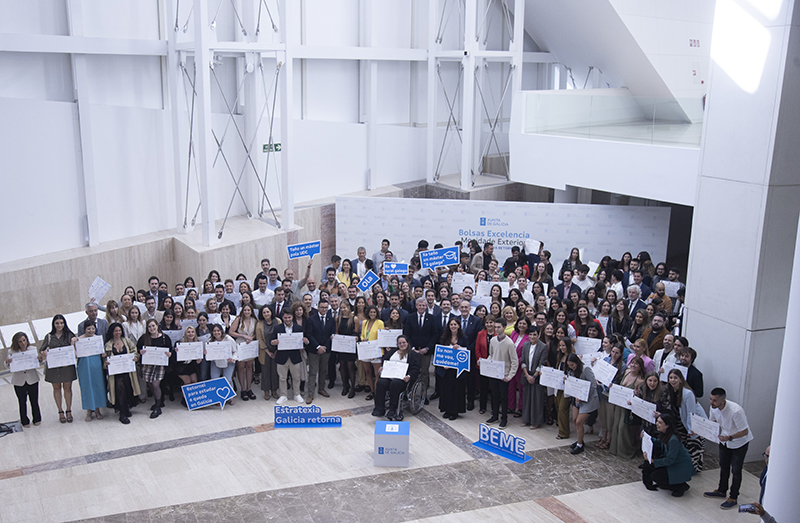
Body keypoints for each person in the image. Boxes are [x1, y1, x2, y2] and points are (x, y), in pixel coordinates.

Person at [704, 387, 754, 510]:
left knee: (736, 470)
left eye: (714, 400)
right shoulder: (713, 408)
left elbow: (745, 431)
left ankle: (733, 497)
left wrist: (730, 437)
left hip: (739, 443)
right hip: (725, 441)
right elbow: (712, 422)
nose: (711, 402)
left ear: (723, 400)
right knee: (723, 465)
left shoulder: (736, 411)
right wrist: (701, 430)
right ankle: (721, 490)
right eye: (710, 399)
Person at [642, 413, 693, 497]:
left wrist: (654, 461)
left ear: (667, 425)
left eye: (660, 423)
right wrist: (646, 437)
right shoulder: (665, 434)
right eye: (657, 421)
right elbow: (657, 442)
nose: (657, 424)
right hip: (672, 463)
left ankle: (680, 486)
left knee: (656, 476)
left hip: (678, 466)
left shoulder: (673, 440)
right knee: (649, 466)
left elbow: (670, 460)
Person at [372, 334, 421, 421]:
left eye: (404, 342)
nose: (402, 344)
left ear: (407, 343)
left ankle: (393, 409)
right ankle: (379, 408)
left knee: (395, 384)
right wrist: (382, 368)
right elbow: (385, 362)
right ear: (397, 344)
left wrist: (409, 376)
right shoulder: (392, 352)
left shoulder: (413, 354)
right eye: (400, 343)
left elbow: (416, 369)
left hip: (403, 379)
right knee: (380, 383)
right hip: (390, 377)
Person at [39, 314, 77, 423]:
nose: (59, 325)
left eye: (61, 323)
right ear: (53, 324)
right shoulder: (49, 336)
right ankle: (60, 411)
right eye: (57, 323)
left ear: (64, 323)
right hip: (54, 367)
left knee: (67, 388)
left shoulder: (69, 335)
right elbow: (41, 350)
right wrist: (44, 353)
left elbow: (74, 349)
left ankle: (68, 410)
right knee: (56, 388)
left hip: (67, 367)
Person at [402, 297, 437, 404]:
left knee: (424, 372)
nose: (421, 307)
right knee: (411, 371)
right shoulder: (410, 317)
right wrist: (412, 348)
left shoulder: (432, 318)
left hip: (426, 351)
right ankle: (409, 392)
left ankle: (423, 394)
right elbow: (406, 334)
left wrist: (427, 348)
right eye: (419, 305)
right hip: (413, 351)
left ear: (426, 306)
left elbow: (435, 335)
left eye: (423, 305)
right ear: (416, 306)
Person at [485, 317, 518, 429]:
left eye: (499, 327)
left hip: (504, 374)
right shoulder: (493, 340)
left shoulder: (509, 343)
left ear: (504, 327)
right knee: (494, 395)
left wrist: (510, 376)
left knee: (504, 397)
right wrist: (486, 363)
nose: (496, 329)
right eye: (495, 327)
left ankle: (504, 418)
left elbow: (514, 361)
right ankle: (494, 415)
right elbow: (491, 354)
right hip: (494, 373)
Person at [104, 323, 140, 424]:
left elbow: (134, 351)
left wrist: (135, 357)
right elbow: (104, 360)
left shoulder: (127, 341)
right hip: (116, 373)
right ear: (112, 332)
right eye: (116, 331)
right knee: (120, 391)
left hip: (127, 371)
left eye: (119, 330)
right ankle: (122, 413)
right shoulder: (108, 345)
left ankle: (126, 408)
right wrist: (106, 363)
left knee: (128, 389)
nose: (118, 332)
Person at [137, 319, 173, 418]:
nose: (152, 328)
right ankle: (159, 401)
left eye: (153, 326)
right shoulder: (144, 338)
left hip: (159, 365)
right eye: (149, 326)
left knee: (155, 384)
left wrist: (169, 354)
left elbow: (170, 349)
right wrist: (140, 351)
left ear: (157, 326)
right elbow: (138, 348)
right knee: (149, 384)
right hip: (148, 365)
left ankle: (157, 407)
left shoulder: (165, 337)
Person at [72, 321, 107, 422]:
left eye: (92, 328)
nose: (91, 331)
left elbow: (102, 352)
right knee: (87, 387)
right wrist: (73, 344)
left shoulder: (97, 339)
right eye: (88, 329)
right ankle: (88, 411)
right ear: (84, 329)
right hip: (84, 366)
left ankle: (97, 410)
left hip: (96, 365)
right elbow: (75, 355)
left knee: (97, 386)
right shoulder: (79, 340)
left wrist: (103, 353)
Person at [271, 308, 306, 404]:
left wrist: (305, 341)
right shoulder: (277, 328)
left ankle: (297, 394)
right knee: (282, 378)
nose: (287, 319)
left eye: (289, 317)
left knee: (296, 377)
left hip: (295, 356)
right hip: (282, 356)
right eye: (285, 318)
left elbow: (303, 341)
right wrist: (273, 342)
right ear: (282, 318)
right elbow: (271, 340)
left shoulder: (298, 328)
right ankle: (283, 395)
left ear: (292, 317)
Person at [6, 332, 41, 428]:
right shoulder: (11, 352)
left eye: (24, 340)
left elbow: (38, 362)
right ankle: (24, 421)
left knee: (34, 400)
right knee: (22, 401)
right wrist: (7, 363)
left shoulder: (32, 349)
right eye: (20, 341)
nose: (23, 343)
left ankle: (37, 418)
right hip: (19, 379)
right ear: (16, 343)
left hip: (32, 378)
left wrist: (39, 359)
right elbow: (8, 366)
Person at [566, 353, 599, 455]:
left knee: (579, 421)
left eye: (572, 365)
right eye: (569, 365)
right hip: (577, 398)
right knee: (575, 420)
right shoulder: (572, 371)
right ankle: (580, 439)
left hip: (588, 399)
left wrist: (583, 396)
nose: (571, 367)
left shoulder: (586, 369)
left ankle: (580, 444)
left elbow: (593, 385)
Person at [305, 299, 335, 403]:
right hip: (314, 350)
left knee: (323, 370)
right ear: (318, 307)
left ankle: (321, 389)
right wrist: (318, 347)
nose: (324, 309)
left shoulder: (331, 319)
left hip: (326, 350)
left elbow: (331, 335)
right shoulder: (311, 319)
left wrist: (324, 347)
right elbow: (309, 334)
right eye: (322, 307)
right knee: (313, 372)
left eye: (326, 307)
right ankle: (310, 394)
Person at [437, 318, 468, 420]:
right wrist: (443, 364)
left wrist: (460, 348)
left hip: (457, 370)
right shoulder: (443, 338)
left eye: (455, 324)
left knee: (456, 390)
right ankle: (447, 410)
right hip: (446, 370)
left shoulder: (464, 338)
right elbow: (440, 353)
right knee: (446, 390)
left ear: (459, 326)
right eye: (451, 324)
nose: (453, 326)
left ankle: (454, 411)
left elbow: (467, 352)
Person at [520, 325, 549, 429]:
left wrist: (534, 376)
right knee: (527, 398)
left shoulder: (543, 347)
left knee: (536, 399)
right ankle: (526, 419)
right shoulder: (526, 345)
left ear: (538, 335)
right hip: (527, 375)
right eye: (531, 334)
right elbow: (523, 361)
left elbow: (542, 363)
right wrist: (527, 375)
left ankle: (535, 421)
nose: (532, 337)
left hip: (537, 377)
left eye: (534, 335)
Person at [230, 303, 258, 401]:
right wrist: (243, 336)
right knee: (241, 367)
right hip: (240, 345)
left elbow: (256, 333)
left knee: (250, 367)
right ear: (242, 311)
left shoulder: (255, 320)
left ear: (251, 311)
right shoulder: (238, 319)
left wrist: (252, 337)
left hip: (250, 345)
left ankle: (249, 388)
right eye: (245, 310)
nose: (247, 312)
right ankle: (243, 389)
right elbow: (231, 332)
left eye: (248, 310)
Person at [255, 306, 280, 400]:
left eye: (267, 312)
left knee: (275, 371)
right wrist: (268, 352)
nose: (266, 314)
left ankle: (274, 390)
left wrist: (277, 350)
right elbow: (259, 339)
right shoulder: (259, 324)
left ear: (271, 312)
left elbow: (281, 334)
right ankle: (266, 391)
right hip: (264, 351)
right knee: (265, 372)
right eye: (264, 312)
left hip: (277, 350)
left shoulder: (278, 321)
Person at [336, 300, 358, 398]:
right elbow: (337, 331)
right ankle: (345, 385)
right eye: (341, 308)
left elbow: (356, 332)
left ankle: (353, 387)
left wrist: (355, 338)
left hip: (350, 345)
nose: (343, 309)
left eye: (344, 307)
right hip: (341, 345)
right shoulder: (338, 318)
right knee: (342, 366)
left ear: (348, 307)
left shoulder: (354, 319)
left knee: (350, 367)